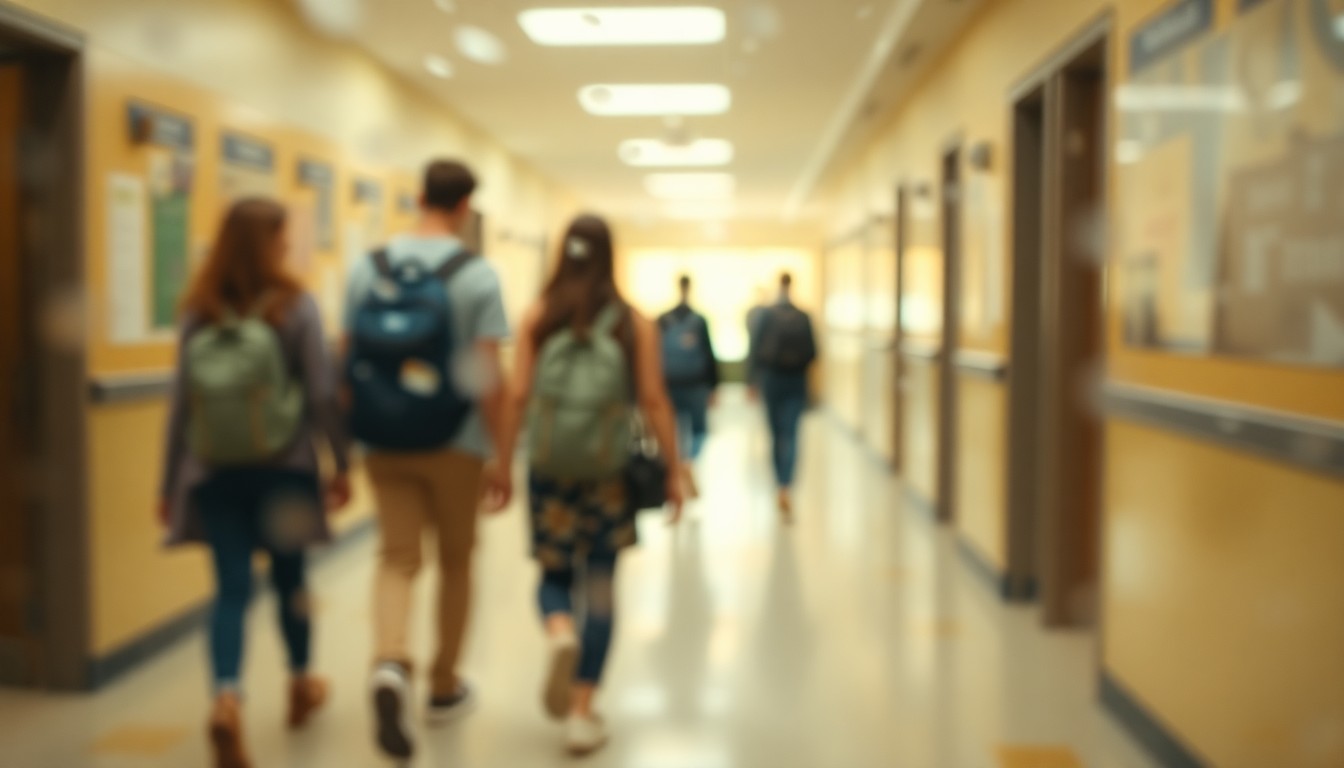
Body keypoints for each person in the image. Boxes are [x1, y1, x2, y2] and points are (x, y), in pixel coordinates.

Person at [159, 198, 352, 768]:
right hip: (285, 472)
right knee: (292, 583)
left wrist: (168, 483)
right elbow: (320, 392)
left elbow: (178, 405)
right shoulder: (295, 305)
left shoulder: (198, 308)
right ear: (271, 243)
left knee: (230, 590)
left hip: (214, 471)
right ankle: (300, 684)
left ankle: (225, 698)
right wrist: (341, 461)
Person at [493, 214, 684, 756]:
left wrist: (503, 464)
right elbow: (652, 399)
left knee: (553, 571)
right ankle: (581, 711)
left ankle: (559, 632)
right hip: (609, 473)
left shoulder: (539, 316)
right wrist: (674, 468)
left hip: (550, 467)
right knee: (599, 584)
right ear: (609, 256)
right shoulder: (631, 322)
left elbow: (517, 396)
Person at [343, 160, 512, 761]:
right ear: (465, 206)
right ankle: (443, 685)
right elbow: (488, 378)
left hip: (383, 439)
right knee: (457, 561)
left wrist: (346, 446)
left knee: (396, 557)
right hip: (456, 442)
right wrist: (503, 455)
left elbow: (345, 359)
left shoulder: (367, 266)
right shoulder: (476, 275)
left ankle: (390, 661)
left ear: (417, 198)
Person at [749, 272, 817, 521]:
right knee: (792, 432)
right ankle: (786, 485)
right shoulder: (803, 316)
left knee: (776, 433)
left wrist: (751, 381)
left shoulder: (766, 314)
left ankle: (779, 482)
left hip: (772, 379)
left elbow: (755, 348)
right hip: (796, 381)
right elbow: (812, 353)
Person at [658, 274, 720, 495]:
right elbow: (709, 354)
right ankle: (688, 462)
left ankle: (680, 461)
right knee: (699, 430)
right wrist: (714, 386)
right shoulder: (698, 320)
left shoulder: (663, 319)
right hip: (696, 384)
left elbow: (653, 357)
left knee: (674, 429)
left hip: (670, 382)